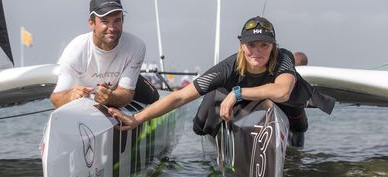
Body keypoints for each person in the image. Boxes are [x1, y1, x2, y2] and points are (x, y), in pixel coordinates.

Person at [108, 16, 335, 146]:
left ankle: (292, 161)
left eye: (264, 45)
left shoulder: (283, 57)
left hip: (284, 106)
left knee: (300, 128)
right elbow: (179, 97)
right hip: (247, 105)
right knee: (200, 125)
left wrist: (236, 93)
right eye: (251, 45)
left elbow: (282, 91)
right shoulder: (229, 67)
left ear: (273, 46)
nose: (257, 51)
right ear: (241, 46)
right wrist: (136, 118)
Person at [50, 0, 158, 108]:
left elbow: (126, 93)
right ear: (91, 23)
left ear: (123, 21)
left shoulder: (136, 45)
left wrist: (112, 98)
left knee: (153, 98)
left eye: (117, 21)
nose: (111, 28)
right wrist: (68, 96)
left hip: (120, 84)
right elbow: (56, 98)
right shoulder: (75, 50)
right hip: (90, 94)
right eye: (105, 21)